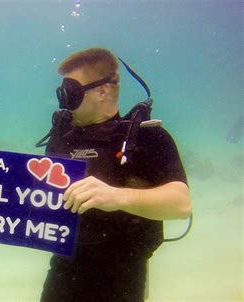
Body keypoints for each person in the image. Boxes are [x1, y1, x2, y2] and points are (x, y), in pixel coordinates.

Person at [39, 48, 192, 301]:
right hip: (63, 269)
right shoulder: (61, 138)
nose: (64, 101)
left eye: (72, 92)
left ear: (103, 91)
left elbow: (181, 204)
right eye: (62, 93)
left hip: (122, 274)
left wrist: (117, 198)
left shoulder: (146, 138)